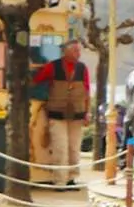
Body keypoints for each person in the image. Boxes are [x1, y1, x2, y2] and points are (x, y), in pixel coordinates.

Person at [32, 38, 90, 185]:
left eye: (79, 50)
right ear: (66, 51)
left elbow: (87, 91)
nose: (78, 53)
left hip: (77, 113)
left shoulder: (83, 68)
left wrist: (87, 112)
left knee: (74, 148)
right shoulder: (53, 67)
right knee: (60, 147)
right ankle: (59, 180)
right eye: (75, 50)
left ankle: (72, 178)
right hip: (56, 113)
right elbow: (37, 79)